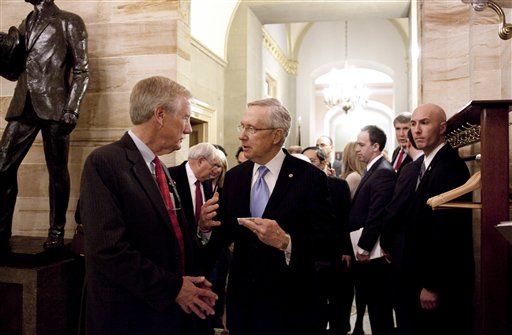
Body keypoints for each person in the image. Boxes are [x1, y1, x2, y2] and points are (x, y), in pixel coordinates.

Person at [79, 76, 217, 335]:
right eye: (186, 117)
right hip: (128, 316)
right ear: (160, 115)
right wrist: (174, 287)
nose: (189, 129)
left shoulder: (160, 168)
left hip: (164, 315)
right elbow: (109, 250)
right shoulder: (105, 163)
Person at [200, 98, 335, 335]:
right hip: (244, 306)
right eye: (242, 127)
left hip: (291, 305)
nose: (242, 136)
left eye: (252, 128)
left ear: (276, 135)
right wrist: (204, 227)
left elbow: (326, 244)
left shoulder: (310, 178)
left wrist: (286, 241)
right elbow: (221, 236)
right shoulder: (234, 178)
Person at [0, 0, 89, 251]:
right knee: (2, 167)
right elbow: (14, 71)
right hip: (23, 105)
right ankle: (2, 231)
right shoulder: (23, 24)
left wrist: (72, 108)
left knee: (57, 170)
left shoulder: (69, 21)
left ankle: (56, 231)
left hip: (55, 106)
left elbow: (82, 70)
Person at [403, 103, 474, 335]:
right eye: (413, 124)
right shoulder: (425, 163)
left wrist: (432, 285)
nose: (417, 130)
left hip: (438, 283)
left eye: (425, 123)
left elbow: (448, 232)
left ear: (442, 127)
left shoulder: (450, 167)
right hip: (418, 275)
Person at [349, 125, 396, 335]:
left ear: (376, 146)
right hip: (367, 251)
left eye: (361, 144)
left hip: (374, 255)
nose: (357, 149)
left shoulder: (383, 172)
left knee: (379, 309)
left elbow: (376, 214)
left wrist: (364, 247)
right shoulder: (373, 169)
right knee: (372, 304)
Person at [302, 145, 353, 335]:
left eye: (312, 162)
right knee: (316, 308)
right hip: (309, 255)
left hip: (335, 255)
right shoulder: (299, 186)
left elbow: (346, 219)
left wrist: (346, 250)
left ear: (323, 163)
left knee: (339, 305)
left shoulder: (339, 185)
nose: (308, 166)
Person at [379, 130, 423, 335]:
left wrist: (385, 243)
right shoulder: (420, 167)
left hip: (405, 251)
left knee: (407, 314)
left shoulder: (413, 168)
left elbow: (394, 210)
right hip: (414, 251)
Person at [168, 142, 220, 236]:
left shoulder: (207, 181)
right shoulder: (169, 176)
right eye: (214, 165)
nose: (216, 170)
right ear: (201, 161)